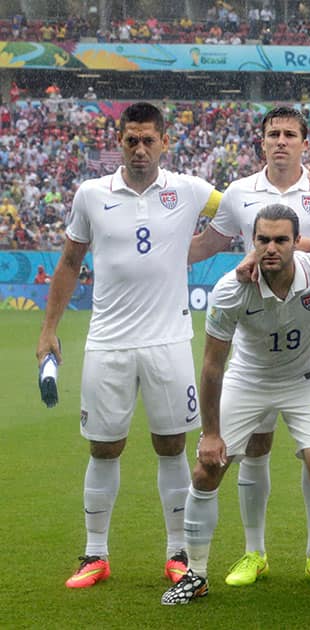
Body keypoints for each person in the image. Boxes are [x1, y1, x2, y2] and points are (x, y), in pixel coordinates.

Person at [36, 102, 221, 589]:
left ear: (165, 142)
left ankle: (176, 552)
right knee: (104, 447)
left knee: (171, 445)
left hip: (169, 341)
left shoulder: (189, 189)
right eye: (130, 140)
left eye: (148, 140)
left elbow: (242, 207)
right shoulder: (91, 194)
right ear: (119, 142)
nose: (140, 149)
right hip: (108, 343)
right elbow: (70, 261)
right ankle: (95, 554)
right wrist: (48, 328)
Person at [187, 106, 310, 589]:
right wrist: (149, 255)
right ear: (261, 142)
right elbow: (205, 245)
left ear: (306, 142)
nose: (281, 141)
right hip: (256, 338)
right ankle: (254, 551)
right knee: (254, 448)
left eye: (290, 134)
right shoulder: (239, 192)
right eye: (272, 134)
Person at [161, 205, 310, 607]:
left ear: (296, 243)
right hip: (248, 380)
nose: (271, 248)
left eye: (281, 240)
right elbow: (213, 365)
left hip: (305, 380)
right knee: (205, 471)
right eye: (263, 240)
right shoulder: (231, 288)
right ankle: (196, 574)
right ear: (251, 242)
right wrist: (212, 433)